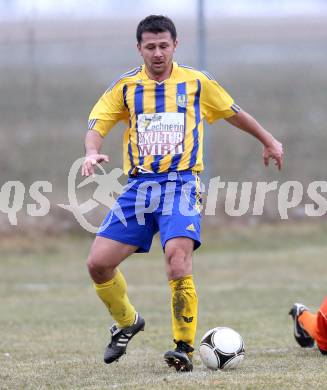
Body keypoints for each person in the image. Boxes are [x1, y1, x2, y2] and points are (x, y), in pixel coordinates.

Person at [82, 15, 283, 372]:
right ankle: (128, 321)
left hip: (182, 184)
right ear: (139, 48)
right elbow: (98, 121)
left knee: (177, 259)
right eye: (150, 46)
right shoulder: (126, 87)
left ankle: (183, 348)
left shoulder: (196, 83)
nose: (157, 53)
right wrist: (90, 150)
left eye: (163, 45)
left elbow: (234, 112)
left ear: (176, 45)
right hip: (140, 187)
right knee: (98, 264)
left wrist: (268, 140)